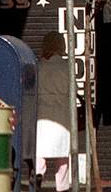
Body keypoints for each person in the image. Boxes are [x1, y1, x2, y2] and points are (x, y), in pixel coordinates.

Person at [35, 32, 72, 192]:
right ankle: (62, 186)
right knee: (63, 154)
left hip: (42, 114)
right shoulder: (66, 66)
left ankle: (37, 175)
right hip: (61, 113)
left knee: (40, 151)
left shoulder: (38, 65)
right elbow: (73, 90)